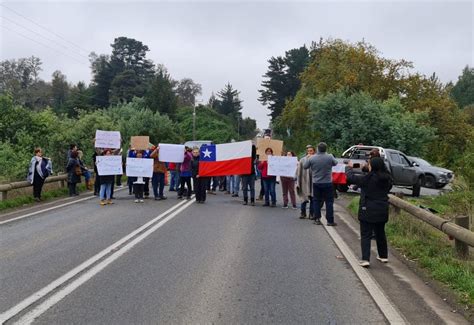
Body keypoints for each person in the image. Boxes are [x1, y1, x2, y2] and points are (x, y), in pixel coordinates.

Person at [346, 157, 393, 267]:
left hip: (368, 209)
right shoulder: (387, 178)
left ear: (372, 166)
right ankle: (383, 256)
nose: (368, 165)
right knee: (380, 233)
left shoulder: (367, 179)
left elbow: (351, 177)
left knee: (366, 234)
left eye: (369, 164)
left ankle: (365, 259)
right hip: (382, 208)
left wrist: (348, 167)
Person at [303, 142, 338, 226]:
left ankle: (317, 219)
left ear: (317, 149)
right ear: (326, 149)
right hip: (328, 183)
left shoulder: (312, 158)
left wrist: (308, 158)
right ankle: (330, 221)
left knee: (316, 201)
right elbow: (335, 163)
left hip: (316, 183)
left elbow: (305, 166)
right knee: (329, 202)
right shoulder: (329, 156)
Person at [297, 145, 315, 219]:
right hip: (304, 181)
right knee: (303, 198)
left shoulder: (316, 159)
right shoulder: (302, 160)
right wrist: (298, 182)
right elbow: (298, 171)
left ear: (314, 151)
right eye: (308, 151)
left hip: (313, 181)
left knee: (313, 198)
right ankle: (303, 213)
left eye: (311, 151)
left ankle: (311, 214)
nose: (309, 152)